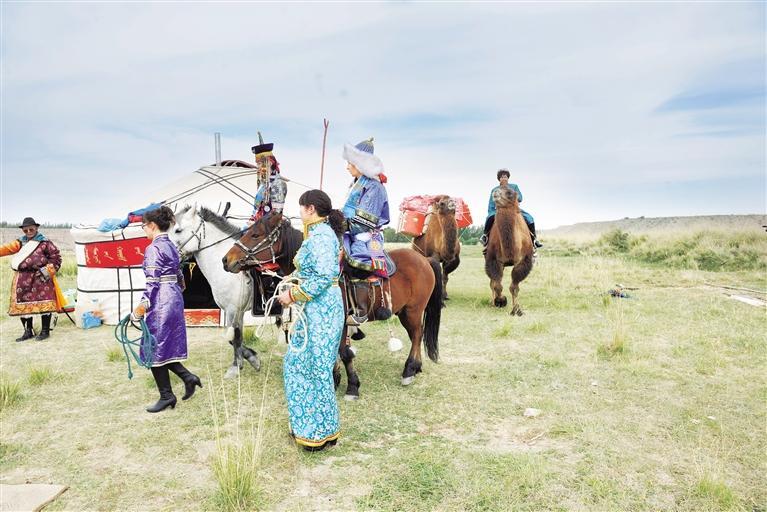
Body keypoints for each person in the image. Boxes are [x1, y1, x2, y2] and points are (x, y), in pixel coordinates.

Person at [277, 190, 346, 451]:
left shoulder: (321, 237)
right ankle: (320, 430)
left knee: (308, 367)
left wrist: (293, 295)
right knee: (308, 366)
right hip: (316, 309)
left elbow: (324, 276)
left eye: (301, 207)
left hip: (322, 310)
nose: (299, 212)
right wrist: (291, 279)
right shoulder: (318, 234)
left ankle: (316, 433)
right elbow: (313, 271)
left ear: (310, 209)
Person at [132, 206, 202, 413]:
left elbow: (152, 282)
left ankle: (167, 396)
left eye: (144, 226)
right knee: (163, 346)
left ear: (153, 225)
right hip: (174, 298)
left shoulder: (153, 248)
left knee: (153, 346)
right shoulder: (172, 245)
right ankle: (188, 378)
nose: (144, 229)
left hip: (161, 300)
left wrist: (140, 308)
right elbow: (180, 278)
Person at [340, 137, 391, 321]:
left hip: (365, 235)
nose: (347, 167)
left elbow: (364, 222)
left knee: (356, 263)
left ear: (360, 164)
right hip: (350, 232)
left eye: (350, 163)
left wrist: (338, 223)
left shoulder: (374, 187)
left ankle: (360, 311)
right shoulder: (356, 183)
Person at [0, 217, 62, 341]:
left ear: (36, 228)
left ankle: (45, 331)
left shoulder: (45, 242)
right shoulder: (20, 242)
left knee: (45, 303)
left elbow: (56, 258)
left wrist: (46, 271)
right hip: (22, 277)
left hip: (41, 277)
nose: (28, 232)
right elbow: (7, 249)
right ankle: (28, 331)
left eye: (31, 229)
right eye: (25, 230)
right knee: (23, 304)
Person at [481, 168, 542, 250]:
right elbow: (491, 204)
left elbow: (520, 198)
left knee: (530, 218)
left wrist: (511, 194)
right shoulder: (494, 190)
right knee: (489, 218)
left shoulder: (514, 187)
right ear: (499, 179)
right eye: (502, 177)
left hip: (514, 209)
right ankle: (485, 236)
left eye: (505, 177)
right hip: (499, 210)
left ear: (508, 178)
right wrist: (491, 212)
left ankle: (534, 239)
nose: (504, 178)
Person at [250, 131, 288, 222]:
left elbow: (276, 216)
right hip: (258, 224)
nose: (258, 167)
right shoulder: (263, 184)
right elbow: (256, 209)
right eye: (257, 164)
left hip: (268, 226)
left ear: (270, 163)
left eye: (261, 163)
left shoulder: (278, 184)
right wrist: (252, 220)